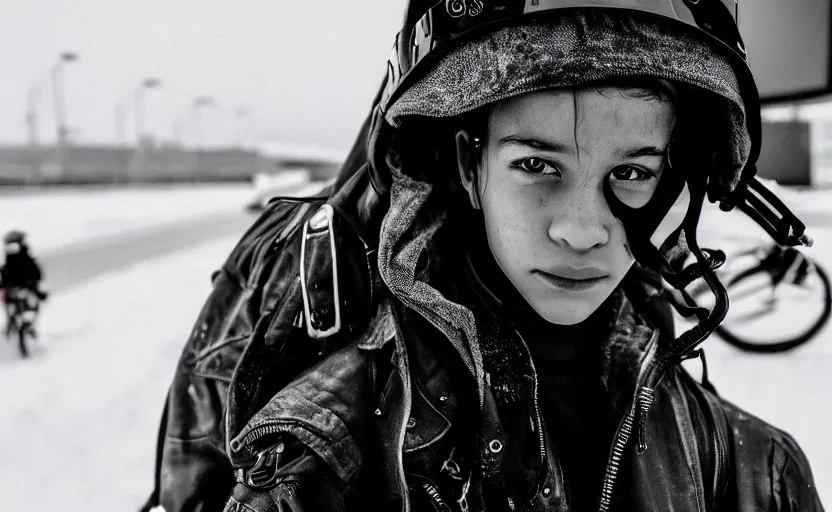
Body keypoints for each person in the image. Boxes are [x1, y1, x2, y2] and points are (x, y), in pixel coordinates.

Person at [144, 2, 824, 511]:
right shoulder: (320, 462)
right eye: (536, 163)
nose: (582, 230)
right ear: (471, 168)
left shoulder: (751, 470)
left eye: (633, 172)